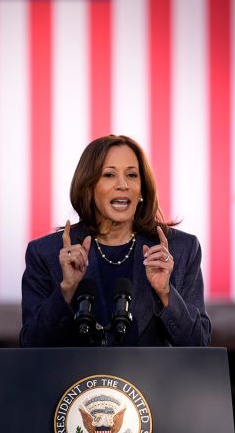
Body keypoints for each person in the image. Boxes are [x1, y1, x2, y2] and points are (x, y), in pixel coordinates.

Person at [20, 134, 211, 347]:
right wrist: (66, 289)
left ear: (142, 190)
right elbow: (30, 345)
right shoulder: (46, 253)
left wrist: (166, 293)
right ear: (88, 186)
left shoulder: (180, 249)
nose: (123, 185)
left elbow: (199, 344)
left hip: (151, 380)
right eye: (109, 175)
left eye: (132, 175)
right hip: (75, 380)